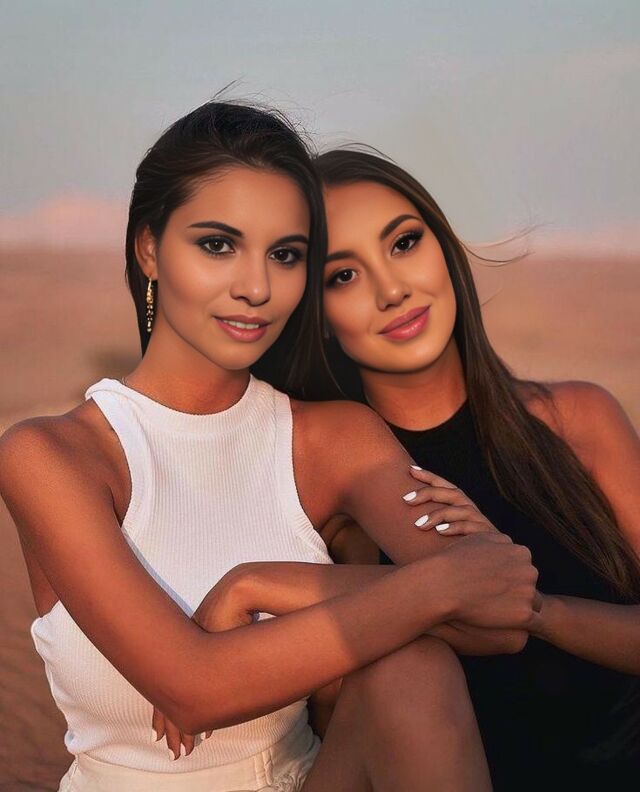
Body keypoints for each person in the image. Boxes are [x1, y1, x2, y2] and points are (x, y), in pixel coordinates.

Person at [0, 101, 539, 792]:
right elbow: (194, 687)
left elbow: (500, 613)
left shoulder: (334, 438)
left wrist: (257, 584)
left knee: (415, 670)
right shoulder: (55, 457)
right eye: (218, 245)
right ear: (149, 250)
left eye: (285, 255)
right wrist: (438, 585)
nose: (256, 288)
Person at [309, 148, 640, 789]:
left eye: (404, 243)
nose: (392, 289)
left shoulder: (578, 420)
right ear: (316, 317)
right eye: (342, 276)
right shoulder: (336, 494)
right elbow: (335, 719)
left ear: (444, 249)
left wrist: (531, 606)